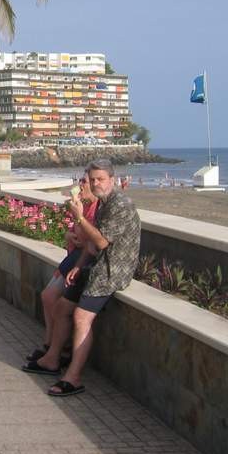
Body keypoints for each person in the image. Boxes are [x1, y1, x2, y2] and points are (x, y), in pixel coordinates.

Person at [26, 159, 141, 397]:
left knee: (81, 316)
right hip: (94, 265)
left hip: (112, 270)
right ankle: (52, 359)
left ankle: (74, 377)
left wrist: (79, 216)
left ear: (112, 180)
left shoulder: (120, 204)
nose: (96, 183)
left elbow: (101, 241)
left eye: (101, 179)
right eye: (92, 179)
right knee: (62, 307)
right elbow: (90, 246)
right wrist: (78, 267)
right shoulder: (103, 203)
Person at [22, 175, 99, 368]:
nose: (81, 185)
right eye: (81, 180)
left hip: (83, 261)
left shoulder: (95, 208)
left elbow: (89, 240)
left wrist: (77, 214)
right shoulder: (84, 205)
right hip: (73, 258)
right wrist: (69, 234)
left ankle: (56, 348)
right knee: (48, 297)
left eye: (85, 182)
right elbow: (74, 235)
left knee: (51, 298)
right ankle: (50, 344)